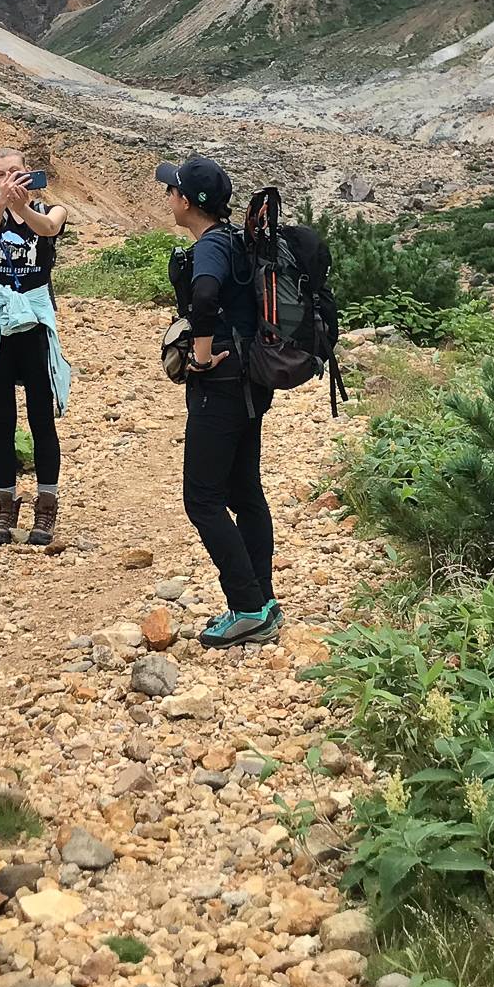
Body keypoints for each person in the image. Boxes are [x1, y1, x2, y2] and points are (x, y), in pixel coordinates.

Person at [159, 156, 281, 648]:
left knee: (202, 499)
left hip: (222, 387)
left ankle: (247, 606)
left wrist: (202, 359)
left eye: (172, 191)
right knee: (244, 490)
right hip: (251, 382)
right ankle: (263, 600)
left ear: (186, 201)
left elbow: (206, 297)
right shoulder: (235, 239)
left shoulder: (210, 246)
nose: (168, 197)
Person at [0, 149, 70, 545]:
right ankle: (5, 505)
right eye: (0, 174)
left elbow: (47, 229)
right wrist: (1, 201)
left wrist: (23, 207)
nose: (9, 179)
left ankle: (46, 505)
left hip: (35, 326)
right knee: (2, 422)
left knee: (42, 419)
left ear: (28, 173)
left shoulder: (51, 208)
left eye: (15, 172)